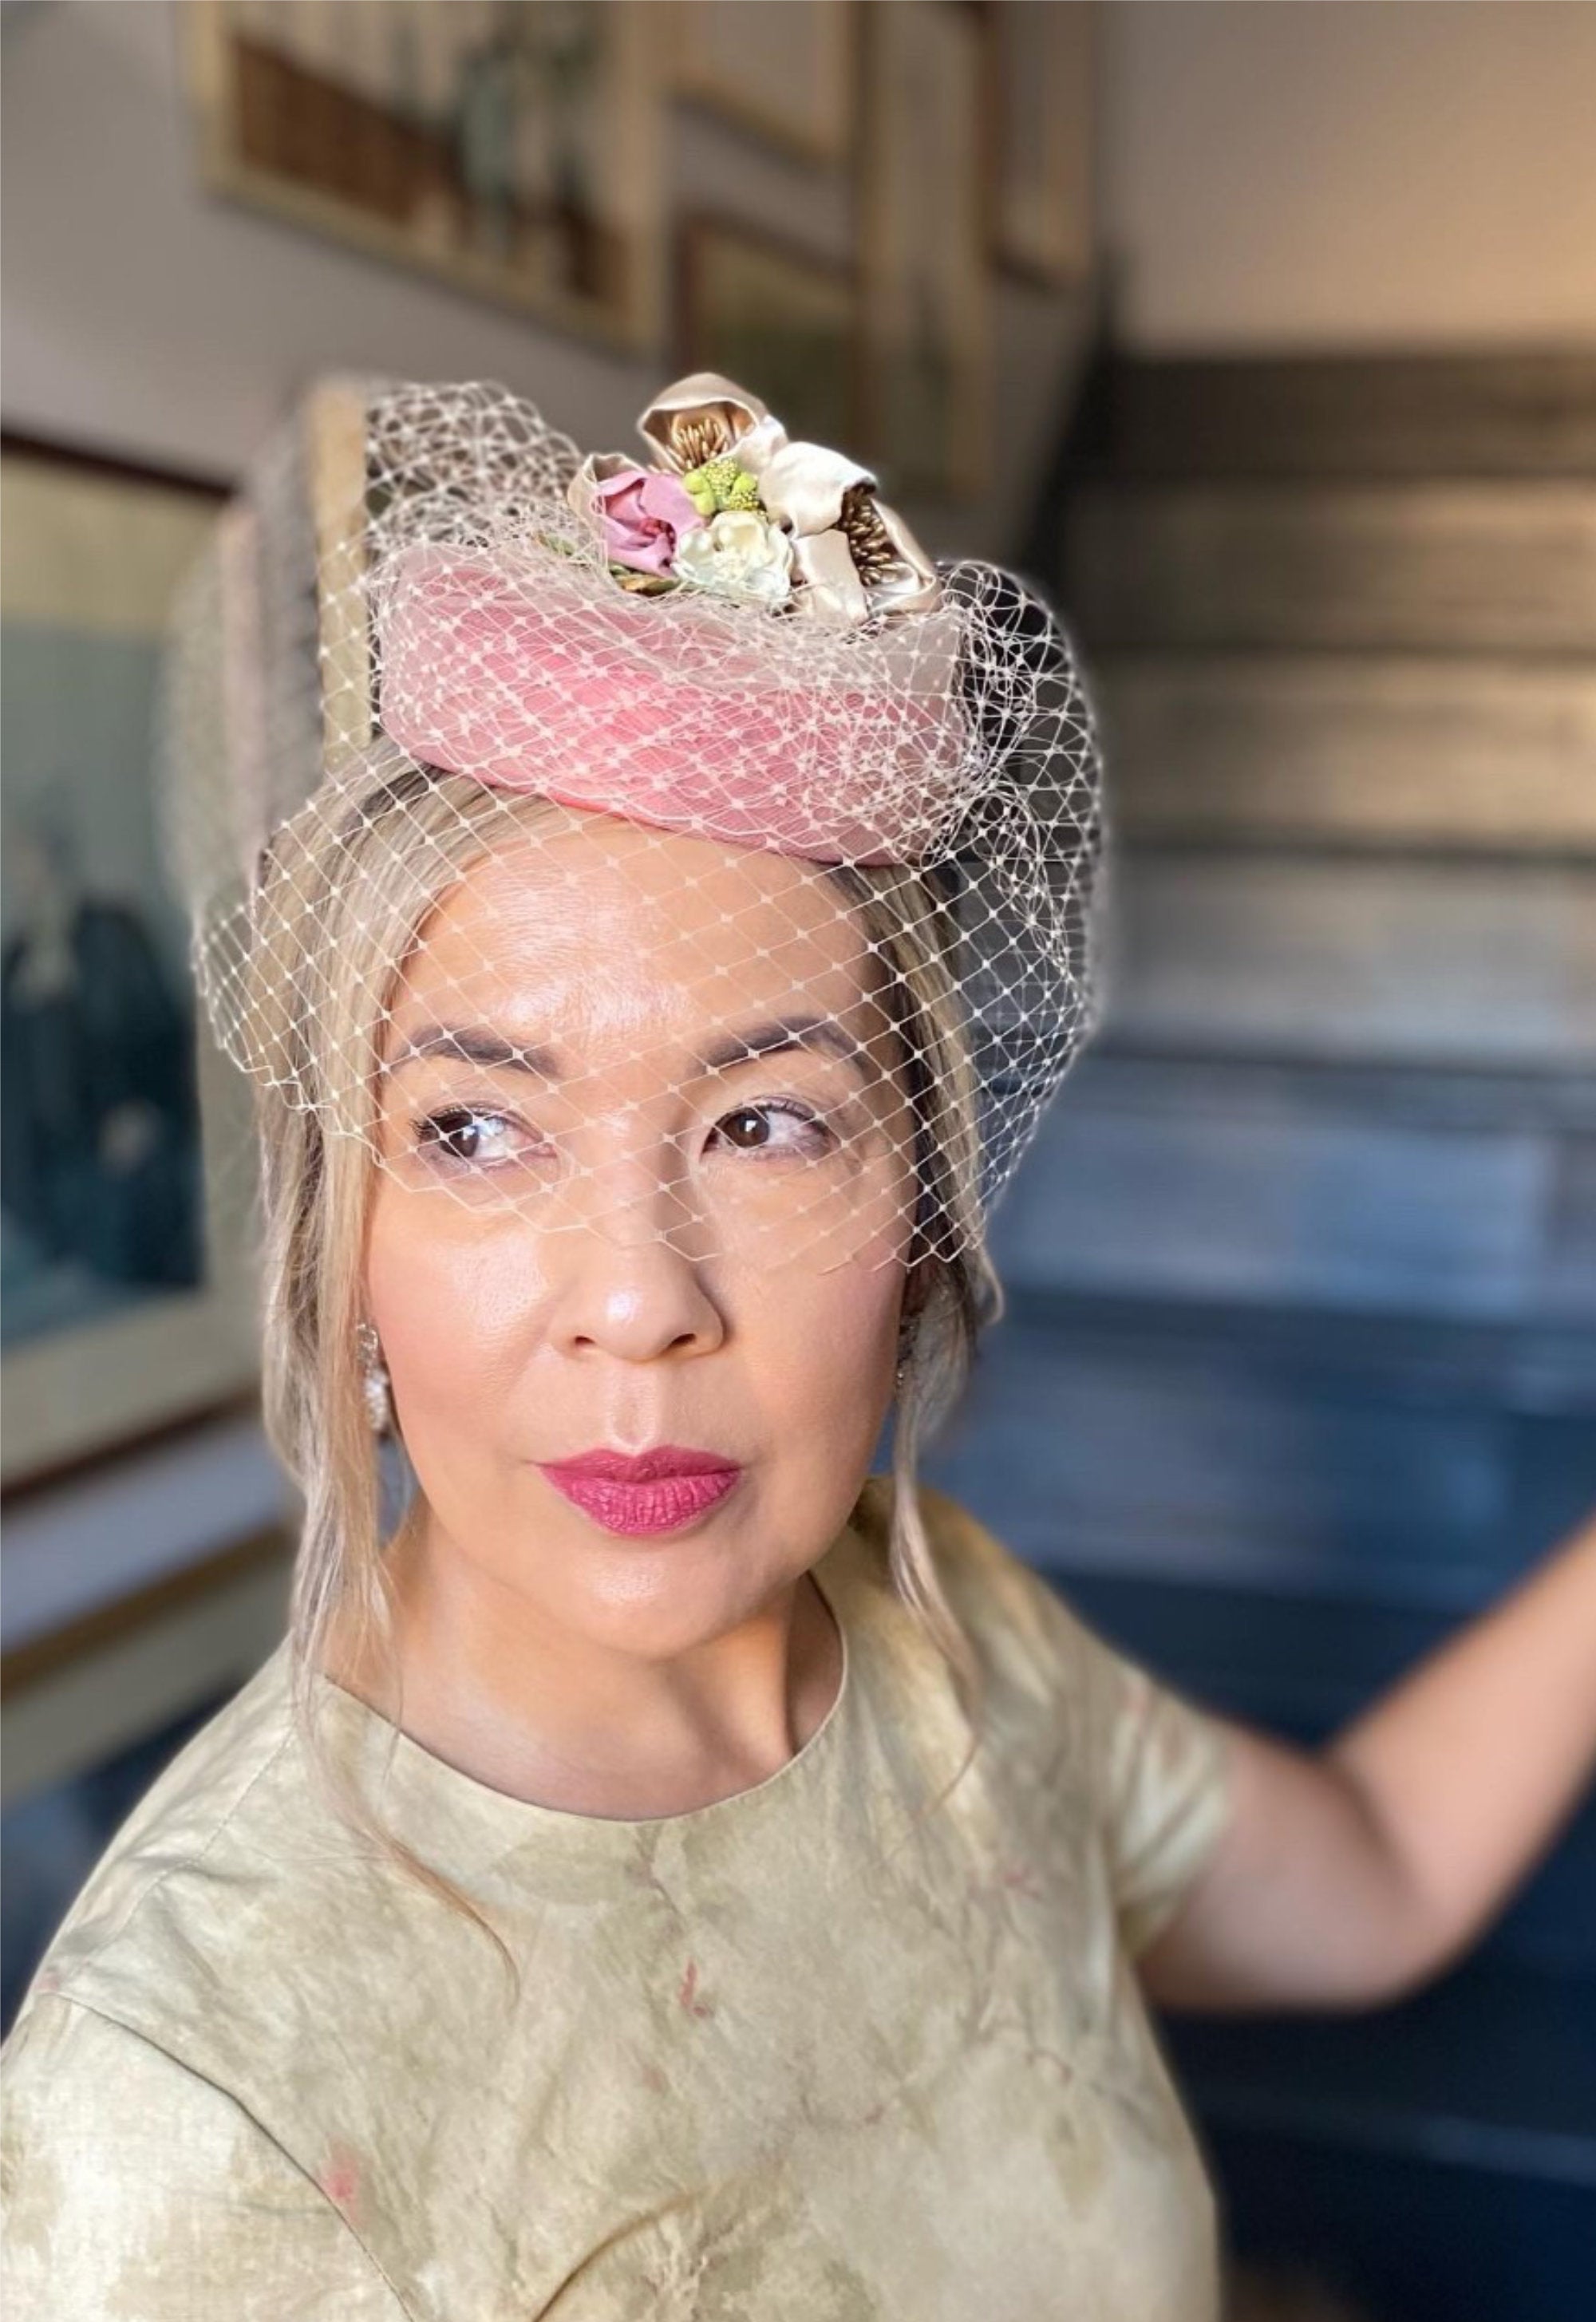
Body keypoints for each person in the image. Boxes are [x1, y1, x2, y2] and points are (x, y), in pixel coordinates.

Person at [1, 371, 1591, 2321]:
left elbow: (1375, 1880)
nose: (640, 1293)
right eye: (479, 1129)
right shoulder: (191, 2103)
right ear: (344, 1253)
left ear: (918, 1221)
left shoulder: (956, 1646)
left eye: (764, 1123)